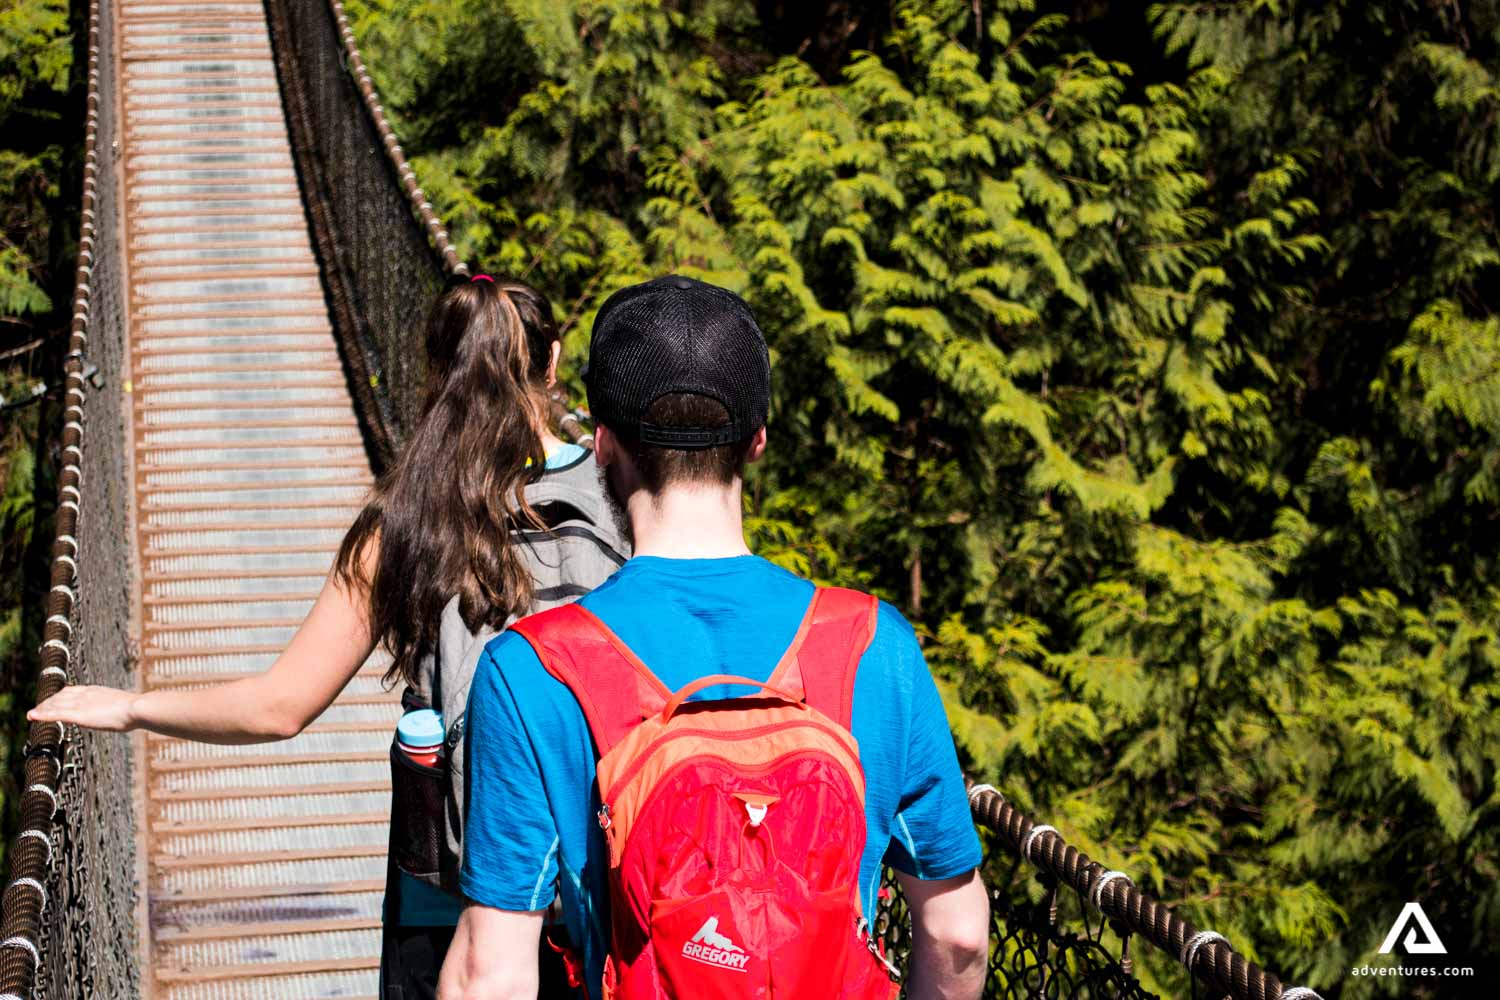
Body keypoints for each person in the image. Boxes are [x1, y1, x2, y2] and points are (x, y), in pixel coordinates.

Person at [29, 275, 627, 999]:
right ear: (554, 361)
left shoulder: (404, 524)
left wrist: (129, 707)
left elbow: (279, 706)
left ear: (436, 370)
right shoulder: (622, 497)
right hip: (603, 889)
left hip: (450, 908)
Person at [438, 275, 991, 1000]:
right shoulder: (870, 644)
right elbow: (957, 931)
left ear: (601, 444)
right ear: (757, 440)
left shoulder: (534, 670)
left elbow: (491, 975)